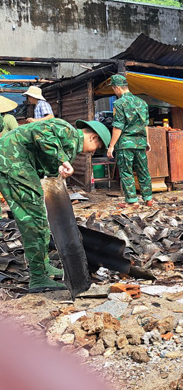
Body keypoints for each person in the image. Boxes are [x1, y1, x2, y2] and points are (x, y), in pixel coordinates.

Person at [0, 119, 111, 293]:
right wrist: (62, 160)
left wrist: (57, 167)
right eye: (97, 148)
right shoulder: (67, 131)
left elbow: (45, 161)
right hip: (13, 163)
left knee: (41, 219)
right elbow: (40, 132)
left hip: (18, 165)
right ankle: (38, 277)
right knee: (33, 220)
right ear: (93, 137)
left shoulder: (68, 146)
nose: (93, 152)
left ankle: (43, 266)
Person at [106, 74, 153, 208]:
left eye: (114, 89)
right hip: (140, 142)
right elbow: (145, 125)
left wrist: (111, 146)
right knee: (143, 170)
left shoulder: (119, 103)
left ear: (117, 88)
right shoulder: (142, 103)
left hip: (126, 143)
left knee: (126, 171)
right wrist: (147, 141)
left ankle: (132, 200)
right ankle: (148, 198)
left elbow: (118, 126)